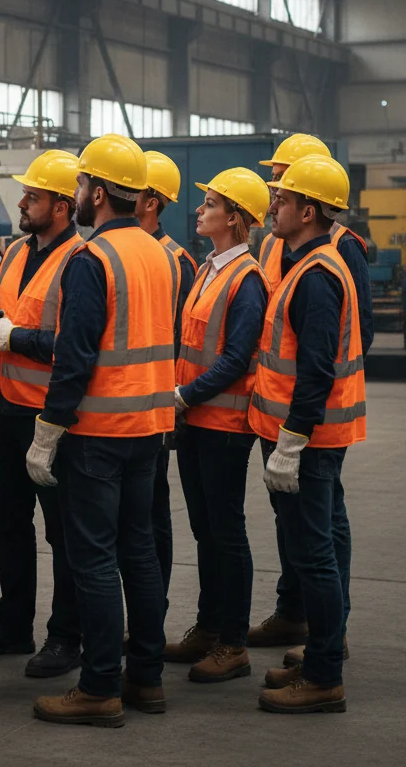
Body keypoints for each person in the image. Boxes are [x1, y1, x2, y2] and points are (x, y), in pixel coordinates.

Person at [30, 134, 176, 728]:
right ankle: (144, 678)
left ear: (96, 192)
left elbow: (75, 355)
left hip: (98, 434)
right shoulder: (161, 254)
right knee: (138, 552)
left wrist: (48, 431)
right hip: (149, 427)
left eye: (81, 184)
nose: (78, 193)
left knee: (92, 560)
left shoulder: (92, 260)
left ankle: (97, 688)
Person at [250, 154, 366, 714]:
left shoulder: (319, 277)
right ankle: (320, 654)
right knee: (312, 551)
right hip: (303, 436)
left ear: (309, 210)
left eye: (283, 200)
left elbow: (317, 370)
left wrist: (291, 443)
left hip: (310, 442)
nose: (274, 207)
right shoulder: (307, 262)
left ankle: (323, 676)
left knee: (315, 555)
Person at [0, 150, 84, 680]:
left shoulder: (80, 261)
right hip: (9, 409)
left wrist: (15, 336)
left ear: (62, 206)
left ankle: (66, 637)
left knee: (64, 534)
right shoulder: (12, 254)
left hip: (56, 419)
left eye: (32, 196)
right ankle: (14, 624)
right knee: (9, 524)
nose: (21, 202)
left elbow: (76, 345)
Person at [165, 168, 271, 682]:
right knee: (206, 529)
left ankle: (233, 643)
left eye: (209, 204)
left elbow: (235, 359)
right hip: (195, 422)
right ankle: (208, 628)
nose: (199, 210)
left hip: (224, 425)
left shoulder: (246, 279)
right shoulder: (209, 269)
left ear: (234, 217)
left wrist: (182, 395)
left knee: (227, 533)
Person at [135, 150, 197, 615]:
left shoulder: (177, 261)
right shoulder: (109, 250)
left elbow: (175, 344)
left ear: (151, 202)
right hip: (112, 413)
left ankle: (147, 622)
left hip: (153, 412)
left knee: (151, 517)